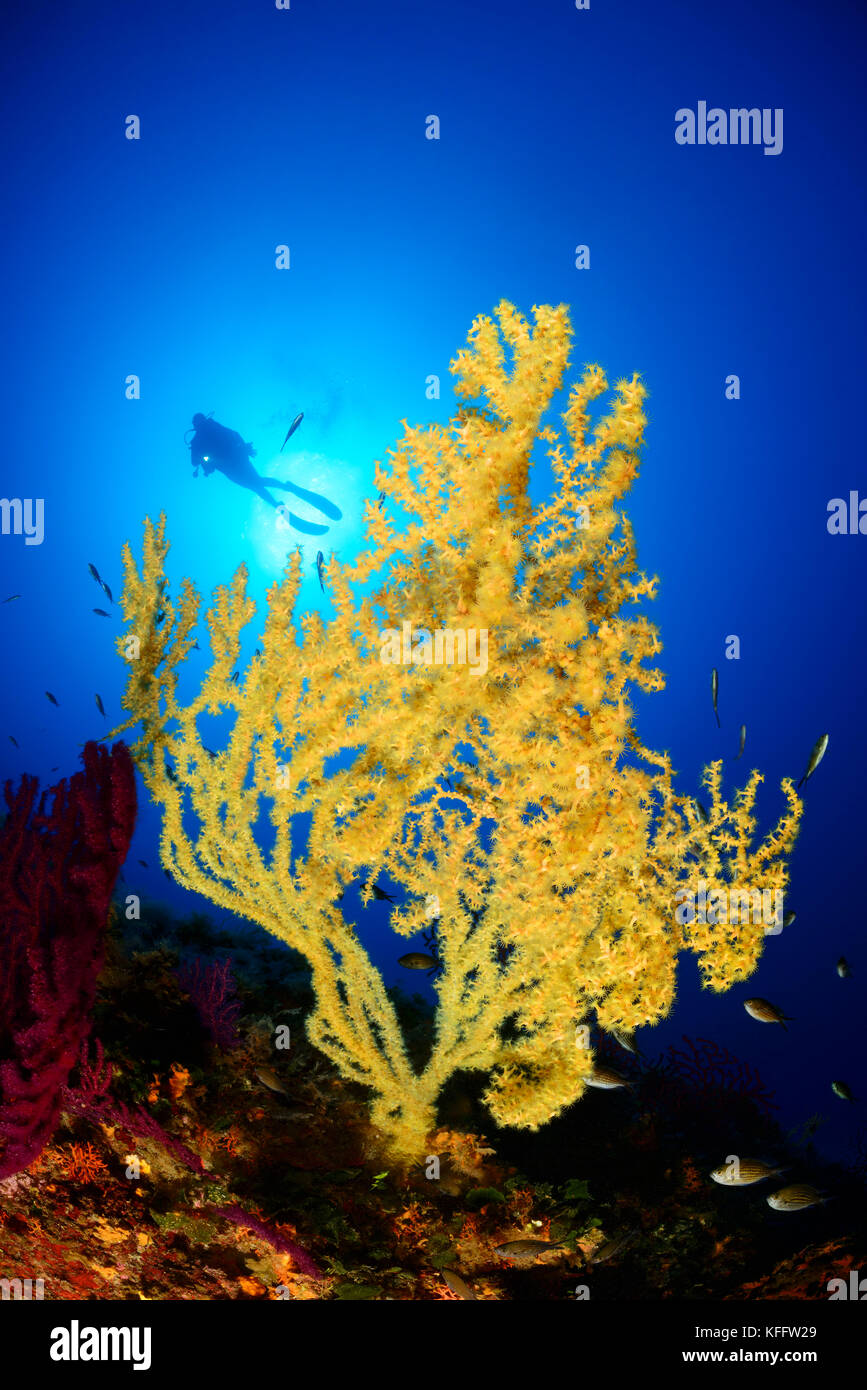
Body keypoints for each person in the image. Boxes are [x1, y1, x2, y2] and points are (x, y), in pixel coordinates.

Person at [187, 413, 343, 534]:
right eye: (199, 423)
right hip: (234, 464)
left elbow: (232, 435)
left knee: (257, 484)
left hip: (236, 462)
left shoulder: (211, 429)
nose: (201, 425)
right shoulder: (202, 436)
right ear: (196, 424)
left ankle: (282, 499)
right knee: (257, 485)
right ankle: (285, 492)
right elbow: (196, 460)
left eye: (200, 422)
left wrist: (242, 447)